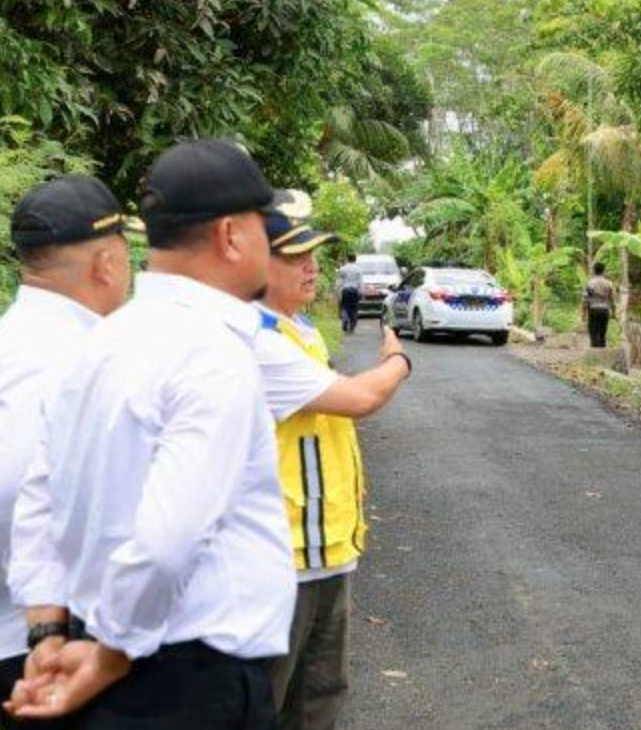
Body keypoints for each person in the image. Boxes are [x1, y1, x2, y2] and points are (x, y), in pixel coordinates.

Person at [3, 139, 295, 729]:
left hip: (107, 657)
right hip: (188, 683)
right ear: (232, 236)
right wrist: (111, 656)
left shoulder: (100, 343)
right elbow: (167, 540)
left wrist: (48, 633)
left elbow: (38, 497)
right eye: (265, 227)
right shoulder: (213, 356)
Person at [0, 176, 131, 730]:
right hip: (45, 650)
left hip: (45, 643)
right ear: (107, 262)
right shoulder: (54, 351)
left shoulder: (28, 337)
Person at [255, 191, 411, 730]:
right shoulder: (258, 337)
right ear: (256, 262)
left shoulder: (298, 328)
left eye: (312, 255)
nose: (312, 267)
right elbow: (361, 399)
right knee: (270, 702)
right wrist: (398, 360)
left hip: (325, 549)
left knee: (319, 697)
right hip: (284, 558)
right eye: (294, 258)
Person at [583, 262, 615, 348]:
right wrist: (614, 313)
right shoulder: (609, 283)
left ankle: (595, 354)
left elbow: (586, 300)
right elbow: (612, 299)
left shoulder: (590, 283)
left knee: (593, 333)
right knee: (602, 333)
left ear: (594, 271)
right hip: (605, 310)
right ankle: (602, 353)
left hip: (593, 309)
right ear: (604, 271)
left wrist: (583, 313)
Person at [336, 254, 363, 333]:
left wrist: (337, 291)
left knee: (344, 307)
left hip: (345, 290)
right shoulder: (359, 269)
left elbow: (339, 282)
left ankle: (345, 319)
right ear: (355, 259)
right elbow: (360, 282)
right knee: (354, 309)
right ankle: (352, 326)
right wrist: (361, 292)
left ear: (347, 259)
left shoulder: (343, 269)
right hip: (354, 290)